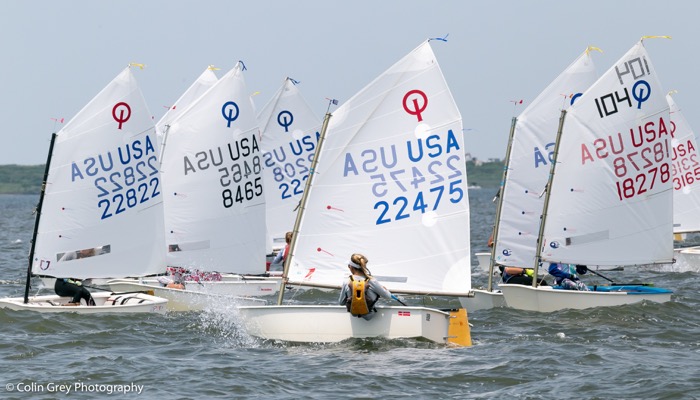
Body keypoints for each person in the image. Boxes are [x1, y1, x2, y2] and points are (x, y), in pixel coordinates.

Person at [338, 253, 393, 321]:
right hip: (370, 316)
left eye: (349, 266)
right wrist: (385, 290)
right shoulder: (372, 281)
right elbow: (388, 296)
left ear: (351, 267)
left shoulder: (347, 282)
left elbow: (341, 303)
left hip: (354, 315)